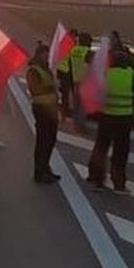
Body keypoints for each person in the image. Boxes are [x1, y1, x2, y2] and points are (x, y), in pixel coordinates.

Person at [87, 46, 134, 192]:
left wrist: (93, 114)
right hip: (125, 119)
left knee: (101, 148)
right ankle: (119, 183)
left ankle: (97, 179)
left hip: (106, 117)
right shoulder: (131, 75)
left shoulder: (105, 74)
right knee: (121, 152)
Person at [26, 42, 61, 184]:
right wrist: (52, 86)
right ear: (39, 54)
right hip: (41, 109)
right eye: (45, 54)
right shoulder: (33, 70)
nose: (47, 56)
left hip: (51, 108)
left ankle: (46, 168)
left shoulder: (46, 69)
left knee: (51, 140)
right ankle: (39, 172)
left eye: (48, 54)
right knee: (43, 141)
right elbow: (35, 89)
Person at [69, 32, 92, 127]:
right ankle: (81, 125)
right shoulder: (88, 52)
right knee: (83, 106)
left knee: (76, 104)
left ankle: (75, 123)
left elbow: (70, 64)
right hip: (85, 81)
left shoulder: (73, 50)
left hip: (75, 79)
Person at [56, 28, 77, 115]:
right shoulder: (71, 43)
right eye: (74, 36)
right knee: (66, 91)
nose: (75, 38)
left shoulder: (62, 41)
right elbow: (71, 56)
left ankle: (65, 107)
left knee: (65, 90)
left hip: (61, 69)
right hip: (66, 69)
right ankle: (65, 109)